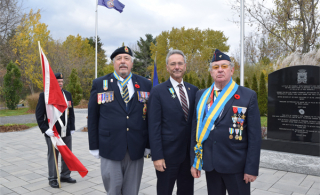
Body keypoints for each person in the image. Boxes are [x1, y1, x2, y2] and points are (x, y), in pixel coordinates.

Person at [190, 49, 261, 195]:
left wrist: (251, 168)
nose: (220, 70)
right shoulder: (201, 95)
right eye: (216, 67)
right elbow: (195, 129)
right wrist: (195, 161)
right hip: (211, 165)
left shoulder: (247, 96)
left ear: (232, 70)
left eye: (224, 66)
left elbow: (255, 136)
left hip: (237, 166)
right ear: (211, 72)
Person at [88, 46, 152, 195]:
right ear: (113, 63)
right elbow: (93, 117)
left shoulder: (145, 84)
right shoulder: (100, 84)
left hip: (136, 147)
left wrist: (148, 145)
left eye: (126, 58)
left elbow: (150, 117)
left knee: (132, 191)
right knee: (113, 189)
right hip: (109, 147)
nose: (123, 62)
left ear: (132, 63)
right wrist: (94, 146)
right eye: (119, 59)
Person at [148, 49, 198, 195]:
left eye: (180, 63)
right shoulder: (158, 92)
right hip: (167, 157)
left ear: (185, 66)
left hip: (189, 157)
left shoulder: (194, 90)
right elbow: (154, 126)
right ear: (167, 67)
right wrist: (157, 156)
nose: (177, 67)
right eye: (173, 64)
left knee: (187, 192)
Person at [36, 73, 76, 188]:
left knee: (67, 154)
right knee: (53, 156)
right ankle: (53, 178)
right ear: (53, 83)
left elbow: (71, 113)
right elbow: (39, 116)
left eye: (62, 82)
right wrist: (45, 129)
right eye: (58, 82)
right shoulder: (45, 95)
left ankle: (65, 175)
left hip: (66, 131)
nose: (61, 84)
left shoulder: (67, 95)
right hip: (53, 132)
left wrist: (72, 127)